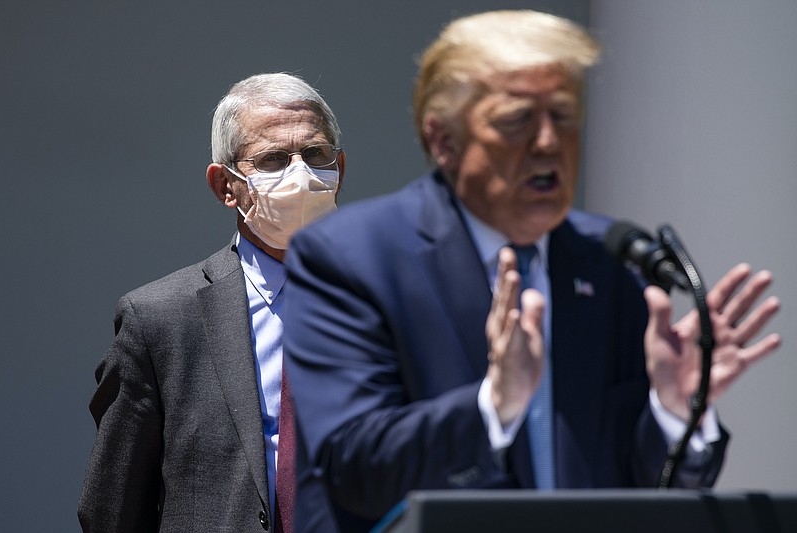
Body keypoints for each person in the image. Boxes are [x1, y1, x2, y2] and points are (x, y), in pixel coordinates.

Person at [282, 10, 782, 532]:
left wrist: (675, 410)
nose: (548, 142)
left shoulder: (611, 260)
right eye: (516, 119)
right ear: (443, 140)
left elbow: (646, 490)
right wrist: (493, 407)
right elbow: (352, 467)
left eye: (564, 116)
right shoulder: (347, 256)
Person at [77, 72, 345, 532]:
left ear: (339, 167)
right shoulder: (162, 319)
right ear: (225, 186)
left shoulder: (399, 302)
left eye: (315, 154)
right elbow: (113, 508)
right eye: (274, 159)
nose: (300, 173)